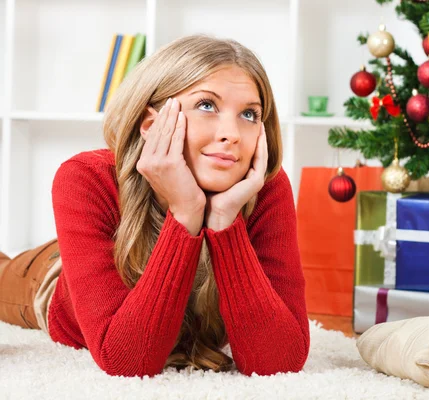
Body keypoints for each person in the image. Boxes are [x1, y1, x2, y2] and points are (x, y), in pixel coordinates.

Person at [0, 35, 310, 378]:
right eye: (207, 105)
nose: (233, 133)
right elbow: (126, 361)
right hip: (52, 277)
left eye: (249, 114)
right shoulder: (86, 178)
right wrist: (186, 213)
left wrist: (224, 219)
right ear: (151, 125)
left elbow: (280, 363)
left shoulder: (264, 188)